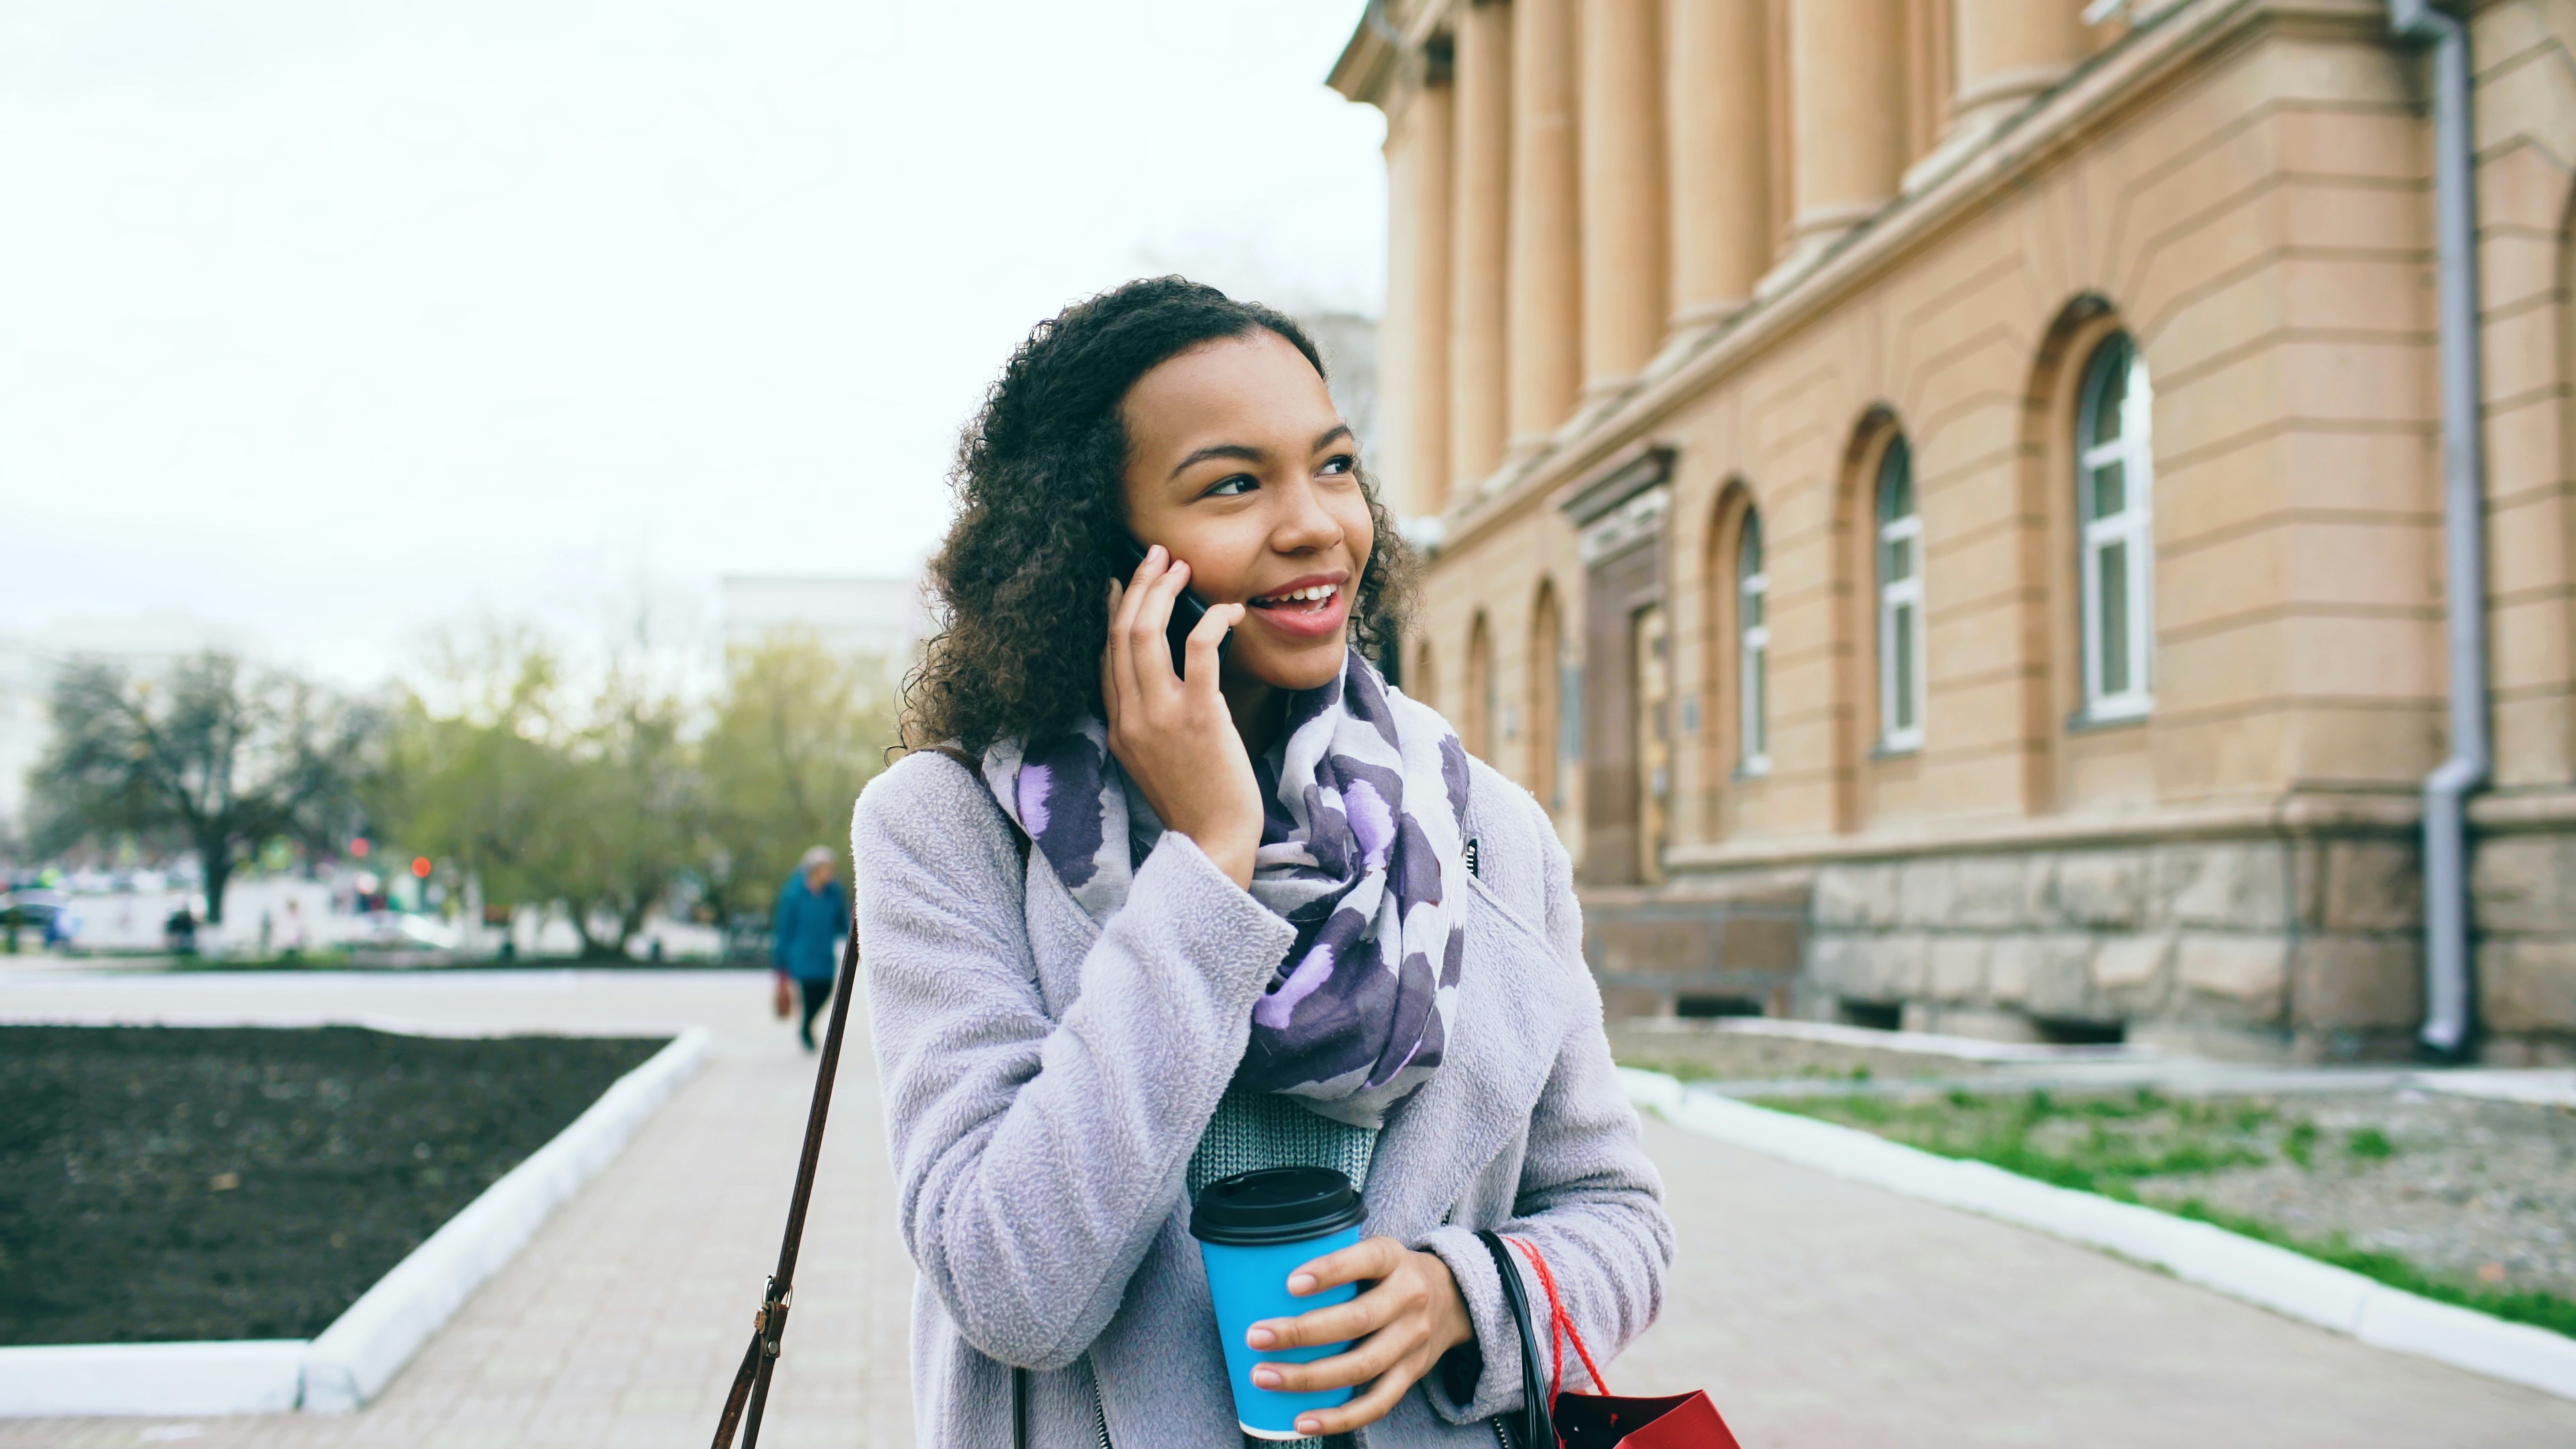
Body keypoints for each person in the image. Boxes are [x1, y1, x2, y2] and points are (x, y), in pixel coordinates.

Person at [853, 279, 1672, 1449]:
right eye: (1233, 485)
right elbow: (1011, 1288)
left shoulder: (1480, 830)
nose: (1314, 525)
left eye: (1333, 467)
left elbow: (1618, 1219)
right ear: (1091, 544)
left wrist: (1463, 1298)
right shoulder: (951, 830)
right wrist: (1207, 861)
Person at [771, 845, 849, 1051]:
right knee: (809, 993)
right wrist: (781, 961)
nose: (829, 873)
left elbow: (843, 923)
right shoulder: (794, 894)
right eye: (825, 868)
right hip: (802, 954)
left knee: (825, 990)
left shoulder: (833, 893)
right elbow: (785, 928)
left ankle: (806, 1023)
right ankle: (807, 1029)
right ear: (813, 869)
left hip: (824, 954)